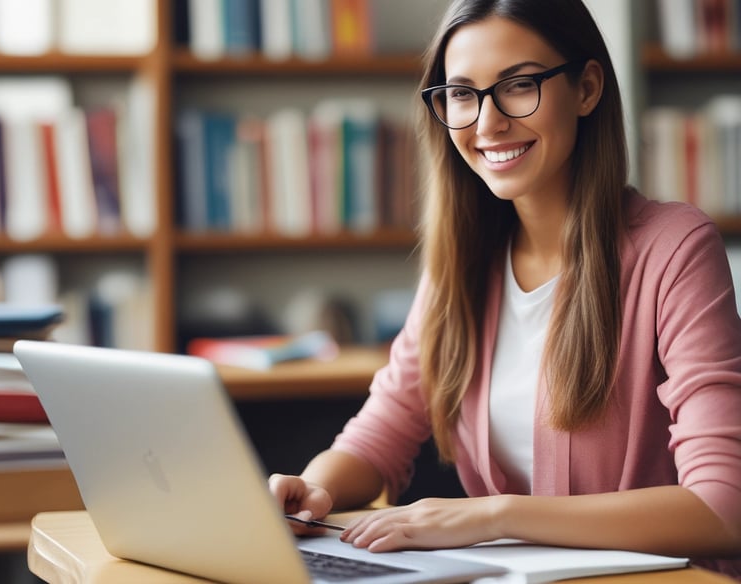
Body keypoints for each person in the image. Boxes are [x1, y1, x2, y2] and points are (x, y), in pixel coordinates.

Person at [268, 0, 741, 578]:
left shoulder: (673, 248)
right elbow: (378, 435)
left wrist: (495, 516)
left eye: (518, 85)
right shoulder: (464, 261)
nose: (487, 123)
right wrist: (312, 492)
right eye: (462, 94)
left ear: (587, 88)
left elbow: (723, 508)